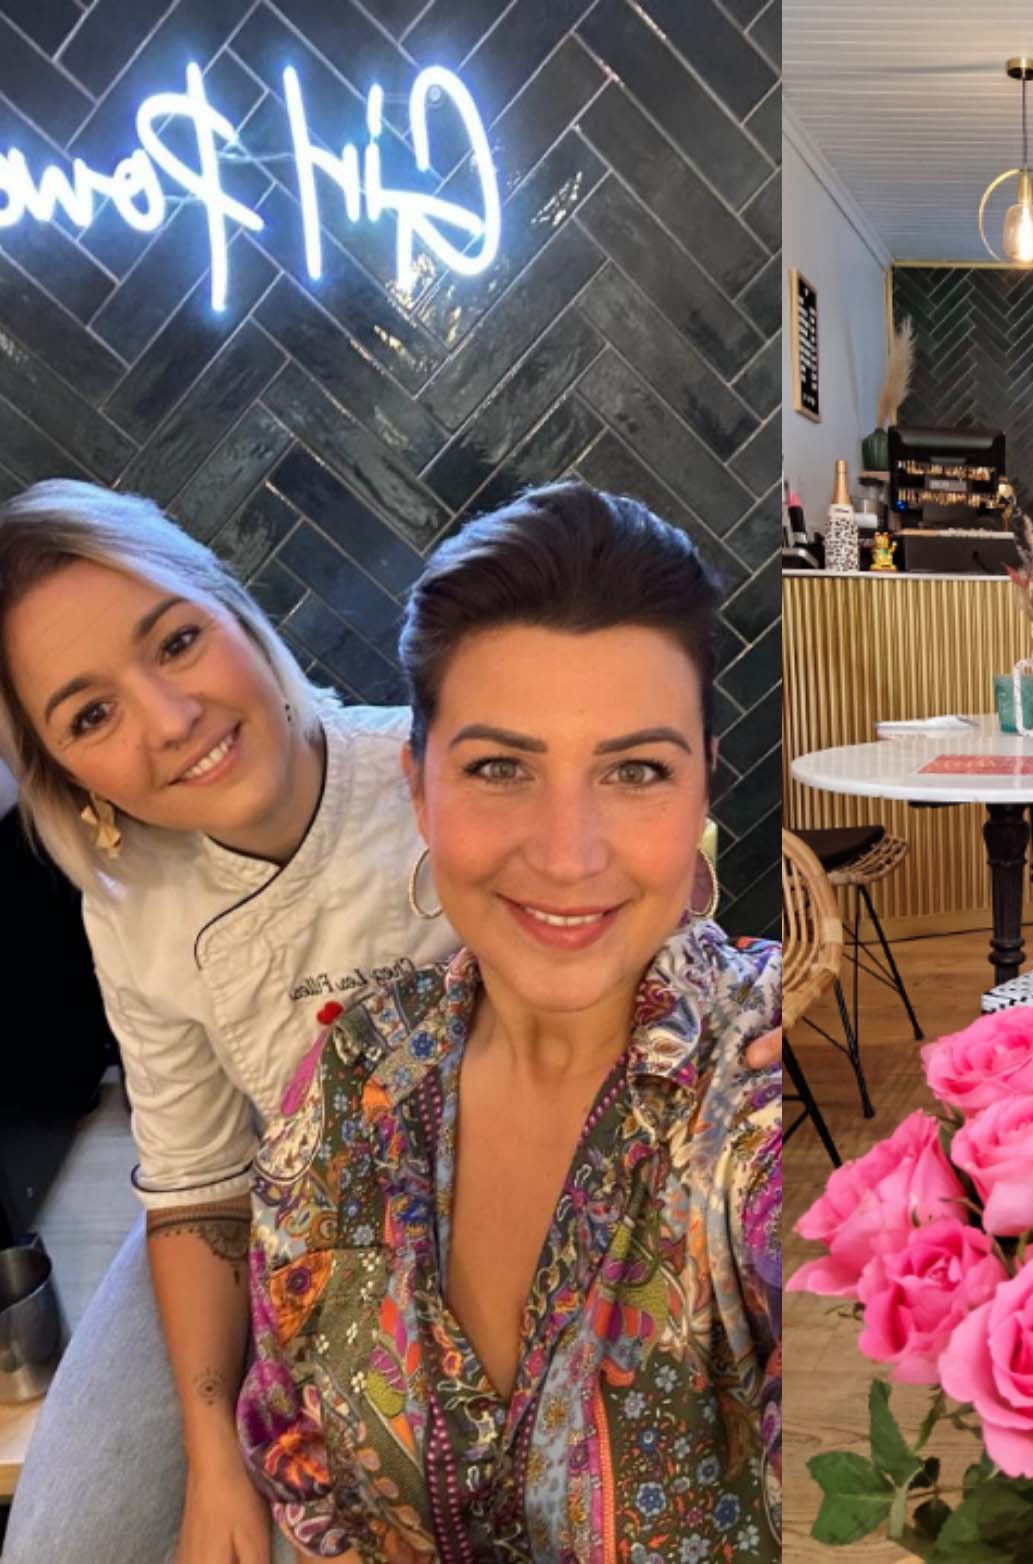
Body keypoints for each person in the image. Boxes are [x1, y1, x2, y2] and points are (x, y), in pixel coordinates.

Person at [0, 481, 777, 1564]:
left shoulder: (418, 761)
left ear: (234, 609)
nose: (171, 722)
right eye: (91, 714)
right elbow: (193, 1182)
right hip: (256, 1208)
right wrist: (215, 1455)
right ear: (64, 775)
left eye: (176, 642)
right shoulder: (136, 912)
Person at [236, 484, 781, 1562]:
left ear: (703, 790)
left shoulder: (755, 1090)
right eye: (499, 768)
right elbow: (294, 1440)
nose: (568, 854)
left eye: (636, 771)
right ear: (419, 789)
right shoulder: (352, 1077)